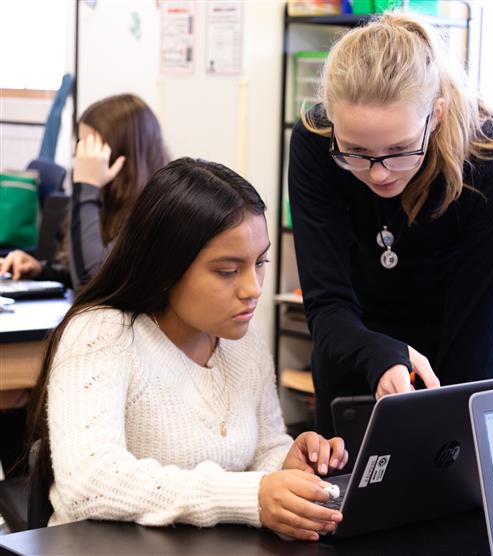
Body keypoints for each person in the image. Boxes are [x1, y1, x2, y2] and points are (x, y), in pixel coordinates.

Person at [26, 158, 347, 541]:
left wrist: (288, 463)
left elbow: (263, 448)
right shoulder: (102, 333)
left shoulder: (241, 338)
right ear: (165, 268)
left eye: (260, 262)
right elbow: (89, 481)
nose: (253, 288)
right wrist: (252, 494)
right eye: (228, 271)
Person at [288, 13, 493, 436]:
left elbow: (474, 318)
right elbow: (327, 304)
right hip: (354, 336)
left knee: (448, 472)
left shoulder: (489, 160)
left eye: (400, 150)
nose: (379, 173)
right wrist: (376, 352)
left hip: (461, 336)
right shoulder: (313, 142)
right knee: (351, 482)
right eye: (356, 151)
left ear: (435, 115)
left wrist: (440, 423)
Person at [0, 94, 169, 289]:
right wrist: (40, 269)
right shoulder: (106, 197)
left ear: (121, 155)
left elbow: (92, 280)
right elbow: (82, 267)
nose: (82, 158)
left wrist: (87, 186)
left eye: (91, 149)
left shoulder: (156, 211)